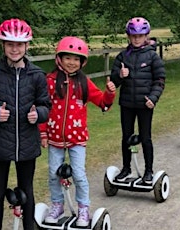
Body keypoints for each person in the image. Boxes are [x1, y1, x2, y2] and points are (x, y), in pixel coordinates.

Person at [0, 18, 51, 230]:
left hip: (27, 143)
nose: (14, 49)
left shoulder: (37, 75)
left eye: (19, 44)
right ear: (3, 46)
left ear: (27, 46)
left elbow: (46, 105)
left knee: (27, 190)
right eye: (10, 44)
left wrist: (39, 114)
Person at [39, 36, 116, 226]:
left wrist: (110, 92)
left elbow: (102, 102)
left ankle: (83, 209)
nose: (72, 63)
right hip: (55, 137)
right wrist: (42, 132)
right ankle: (57, 205)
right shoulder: (49, 81)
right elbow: (42, 107)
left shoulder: (84, 83)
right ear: (59, 58)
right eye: (68, 58)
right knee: (53, 174)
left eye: (76, 59)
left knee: (79, 175)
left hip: (77, 138)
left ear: (82, 62)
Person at [110, 17, 165, 184]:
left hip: (145, 104)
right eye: (133, 36)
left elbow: (160, 80)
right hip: (127, 104)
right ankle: (126, 168)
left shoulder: (152, 57)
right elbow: (113, 81)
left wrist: (153, 98)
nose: (136, 39)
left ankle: (149, 170)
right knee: (126, 136)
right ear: (128, 36)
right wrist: (119, 76)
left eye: (140, 36)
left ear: (146, 36)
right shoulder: (122, 57)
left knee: (145, 137)